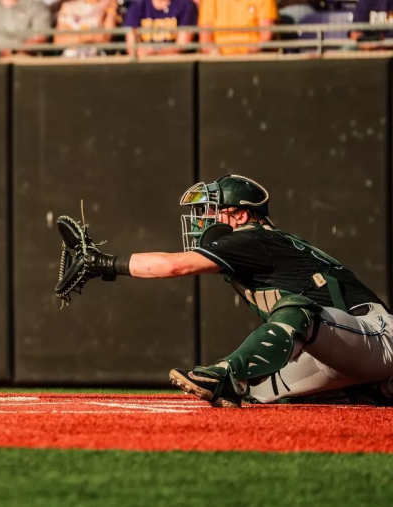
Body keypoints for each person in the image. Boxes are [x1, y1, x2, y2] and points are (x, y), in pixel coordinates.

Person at [55, 174, 393, 407]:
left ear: (243, 214)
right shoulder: (258, 242)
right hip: (341, 348)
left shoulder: (253, 238)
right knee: (259, 392)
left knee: (296, 310)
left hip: (376, 335)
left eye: (213, 210)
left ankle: (223, 375)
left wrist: (105, 263)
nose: (204, 218)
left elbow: (173, 266)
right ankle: (376, 390)